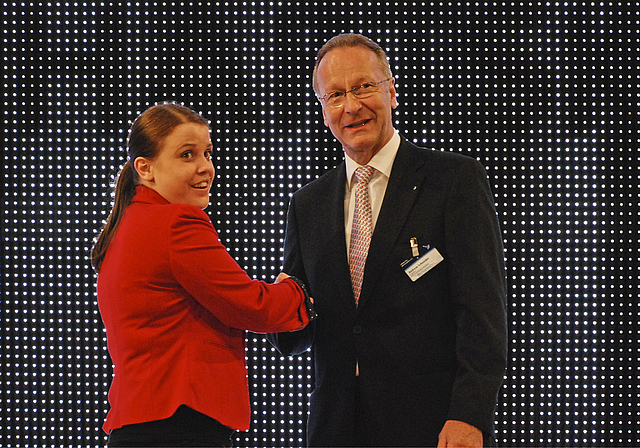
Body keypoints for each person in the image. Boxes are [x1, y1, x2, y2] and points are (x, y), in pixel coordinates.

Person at [267, 33, 507, 447]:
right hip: (335, 429)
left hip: (432, 427)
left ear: (392, 91)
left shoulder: (454, 180)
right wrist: (264, 305)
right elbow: (296, 330)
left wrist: (470, 415)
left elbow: (482, 314)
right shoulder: (307, 204)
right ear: (324, 112)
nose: (352, 106)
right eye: (336, 95)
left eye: (363, 87)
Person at [90, 103, 315, 447]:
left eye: (207, 153)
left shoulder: (124, 229)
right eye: (187, 155)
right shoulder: (176, 224)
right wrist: (302, 290)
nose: (205, 167)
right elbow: (253, 306)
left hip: (140, 425)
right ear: (145, 168)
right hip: (180, 427)